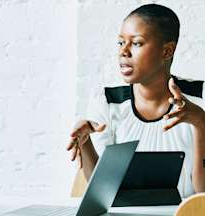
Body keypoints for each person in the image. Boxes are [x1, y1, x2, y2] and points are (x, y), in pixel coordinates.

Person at [67, 4, 205, 198]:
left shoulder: (201, 97)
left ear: (167, 51)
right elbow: (103, 192)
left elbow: (203, 193)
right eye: (120, 42)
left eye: (137, 43)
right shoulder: (107, 102)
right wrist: (85, 143)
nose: (123, 51)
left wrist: (201, 122)